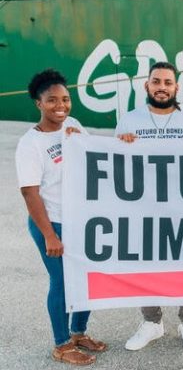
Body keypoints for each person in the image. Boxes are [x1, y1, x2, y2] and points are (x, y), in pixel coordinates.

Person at [116, 61, 183, 352]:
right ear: (146, 85)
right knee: (146, 264)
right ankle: (152, 322)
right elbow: (113, 165)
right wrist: (121, 145)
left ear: (176, 87)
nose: (161, 87)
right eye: (156, 81)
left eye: (168, 82)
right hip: (144, 208)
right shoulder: (129, 120)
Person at [16, 69, 107, 365]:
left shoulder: (73, 124)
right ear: (39, 103)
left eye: (65, 99)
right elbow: (30, 193)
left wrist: (87, 142)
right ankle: (61, 344)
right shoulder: (30, 144)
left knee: (86, 279)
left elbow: (96, 157)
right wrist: (49, 235)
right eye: (52, 100)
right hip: (51, 221)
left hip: (81, 219)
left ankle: (78, 332)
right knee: (63, 282)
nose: (61, 106)